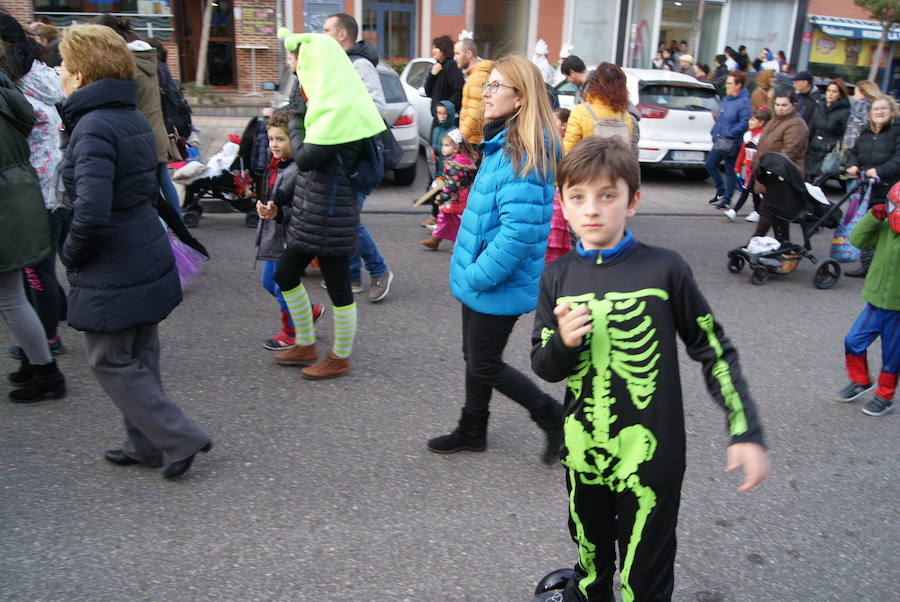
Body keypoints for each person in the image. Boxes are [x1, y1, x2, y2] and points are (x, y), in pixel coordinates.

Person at [530, 136, 768, 602]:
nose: (592, 210)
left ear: (632, 201)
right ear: (562, 203)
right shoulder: (556, 276)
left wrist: (745, 430)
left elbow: (713, 348)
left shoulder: (665, 271)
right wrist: (565, 342)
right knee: (592, 566)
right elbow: (544, 366)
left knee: (645, 579)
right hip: (583, 455)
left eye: (607, 195)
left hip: (649, 457)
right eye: (577, 197)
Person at [58, 24, 211, 477]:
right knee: (140, 353)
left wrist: (71, 252)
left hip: (114, 257)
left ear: (82, 76)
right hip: (141, 244)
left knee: (108, 357)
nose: (59, 74)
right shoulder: (128, 115)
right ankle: (144, 445)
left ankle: (179, 438)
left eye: (64, 68)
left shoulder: (93, 126)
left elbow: (90, 209)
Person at [426, 55, 564, 464]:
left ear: (520, 99)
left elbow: (518, 233)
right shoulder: (503, 141)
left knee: (485, 362)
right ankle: (473, 429)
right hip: (484, 274)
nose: (485, 93)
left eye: (495, 86)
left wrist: (478, 274)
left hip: (496, 278)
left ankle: (551, 415)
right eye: (486, 85)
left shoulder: (523, 152)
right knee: (476, 357)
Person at [259, 31, 385, 379]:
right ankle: (306, 343)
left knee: (339, 287)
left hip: (331, 211)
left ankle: (339, 357)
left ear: (312, 61)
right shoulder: (324, 96)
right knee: (286, 276)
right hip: (314, 207)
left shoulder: (339, 103)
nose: (289, 63)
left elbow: (308, 156)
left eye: (294, 58)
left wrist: (296, 119)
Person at [0, 12, 68, 360]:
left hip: (36, 188)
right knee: (41, 264)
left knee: (34, 267)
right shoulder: (38, 73)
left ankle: (48, 339)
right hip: (50, 183)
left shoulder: (14, 83)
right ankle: (56, 317)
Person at [322, 13, 394, 303]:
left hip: (359, 159)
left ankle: (379, 270)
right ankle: (352, 277)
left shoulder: (359, 64)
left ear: (342, 35)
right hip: (343, 157)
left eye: (327, 29)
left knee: (348, 219)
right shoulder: (338, 63)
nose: (322, 33)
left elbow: (379, 110)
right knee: (343, 217)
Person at [254, 110, 324, 350]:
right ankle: (308, 311)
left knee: (281, 284)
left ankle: (292, 332)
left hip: (289, 239)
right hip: (275, 236)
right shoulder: (278, 165)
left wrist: (278, 214)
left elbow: (302, 211)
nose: (274, 144)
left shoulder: (298, 171)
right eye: (271, 138)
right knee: (270, 283)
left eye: (280, 139)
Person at [835, 181, 900, 417]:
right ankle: (860, 381)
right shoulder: (884, 228)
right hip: (875, 303)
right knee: (853, 341)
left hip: (898, 309)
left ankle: (884, 396)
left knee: (892, 357)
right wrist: (873, 217)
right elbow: (857, 240)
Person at [842, 96, 900, 278]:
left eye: (884, 109)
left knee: (889, 229)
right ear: (870, 113)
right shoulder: (865, 133)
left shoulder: (897, 132)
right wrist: (851, 164)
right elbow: (852, 153)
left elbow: (898, 160)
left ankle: (887, 269)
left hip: (890, 189)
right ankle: (867, 265)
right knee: (868, 225)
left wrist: (879, 171)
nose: (880, 112)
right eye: (876, 109)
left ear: (891, 112)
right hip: (867, 188)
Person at [747, 89, 809, 238]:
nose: (779, 108)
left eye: (784, 105)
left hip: (782, 176)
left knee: (768, 210)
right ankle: (784, 246)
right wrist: (755, 165)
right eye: (777, 104)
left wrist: (766, 169)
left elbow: (789, 154)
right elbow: (763, 145)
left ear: (793, 106)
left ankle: (754, 242)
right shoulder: (774, 120)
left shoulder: (796, 125)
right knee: (776, 215)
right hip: (769, 173)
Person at [420, 128, 477, 251]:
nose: (442, 148)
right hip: (455, 195)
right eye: (443, 145)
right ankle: (436, 239)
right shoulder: (455, 161)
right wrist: (440, 179)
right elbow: (449, 178)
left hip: (457, 197)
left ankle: (457, 243)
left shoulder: (456, 164)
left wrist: (442, 197)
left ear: (456, 148)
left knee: (457, 219)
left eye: (446, 145)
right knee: (444, 216)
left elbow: (453, 184)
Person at [563, 62, 635, 155]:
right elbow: (626, 152)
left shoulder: (580, 112)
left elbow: (569, 150)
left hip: (586, 168)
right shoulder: (625, 116)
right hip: (615, 169)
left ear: (594, 83)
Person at [705, 71, 751, 207]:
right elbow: (720, 118)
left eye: (730, 83)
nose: (726, 86)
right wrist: (714, 132)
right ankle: (721, 191)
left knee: (730, 170)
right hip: (719, 140)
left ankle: (727, 199)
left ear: (738, 85)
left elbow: (744, 122)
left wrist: (730, 133)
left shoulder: (744, 102)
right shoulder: (726, 99)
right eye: (727, 83)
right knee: (710, 164)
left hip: (731, 142)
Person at [724, 107, 771, 221]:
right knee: (755, 192)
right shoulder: (747, 135)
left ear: (761, 123)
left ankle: (734, 211)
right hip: (749, 169)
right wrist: (737, 166)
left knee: (746, 189)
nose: (750, 122)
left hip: (757, 170)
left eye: (753, 120)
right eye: (750, 119)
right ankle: (758, 212)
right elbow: (742, 152)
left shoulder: (763, 137)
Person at [806, 79, 850, 182]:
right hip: (813, 150)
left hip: (828, 152)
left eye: (834, 92)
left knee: (819, 183)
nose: (830, 94)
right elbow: (811, 128)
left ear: (840, 94)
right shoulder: (819, 107)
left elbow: (845, 135)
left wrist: (836, 148)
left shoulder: (844, 112)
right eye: (828, 90)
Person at [454, 36, 492, 144]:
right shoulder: (475, 75)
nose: (454, 58)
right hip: (473, 139)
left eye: (457, 53)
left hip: (474, 142)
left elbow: (476, 113)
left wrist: (459, 138)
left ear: (469, 54)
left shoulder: (478, 77)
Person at [546, 107, 572, 263]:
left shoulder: (565, 145)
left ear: (564, 125)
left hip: (558, 190)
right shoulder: (550, 141)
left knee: (556, 229)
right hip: (552, 190)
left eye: (553, 120)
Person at [424, 35, 464, 127]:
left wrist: (445, 108)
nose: (433, 51)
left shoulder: (451, 65)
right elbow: (428, 92)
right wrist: (432, 75)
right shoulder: (437, 66)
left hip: (447, 119)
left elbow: (459, 91)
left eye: (436, 48)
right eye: (433, 48)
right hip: (437, 119)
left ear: (444, 49)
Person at [842, 79, 880, 153]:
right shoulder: (874, 105)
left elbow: (865, 124)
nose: (853, 96)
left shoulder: (861, 105)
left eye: (855, 93)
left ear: (863, 93)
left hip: (854, 146)